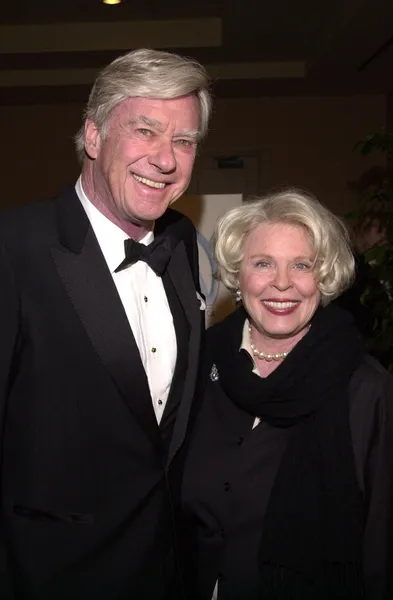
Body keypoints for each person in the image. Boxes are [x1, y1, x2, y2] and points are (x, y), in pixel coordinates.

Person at [0, 48, 211, 599]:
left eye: (184, 141)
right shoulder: (14, 248)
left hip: (167, 573)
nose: (166, 159)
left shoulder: (184, 242)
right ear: (93, 137)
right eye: (145, 130)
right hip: (49, 574)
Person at [181, 190, 393, 600]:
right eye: (263, 264)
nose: (282, 283)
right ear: (238, 275)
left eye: (302, 265)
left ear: (326, 277)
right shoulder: (197, 365)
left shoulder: (367, 390)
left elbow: (381, 549)